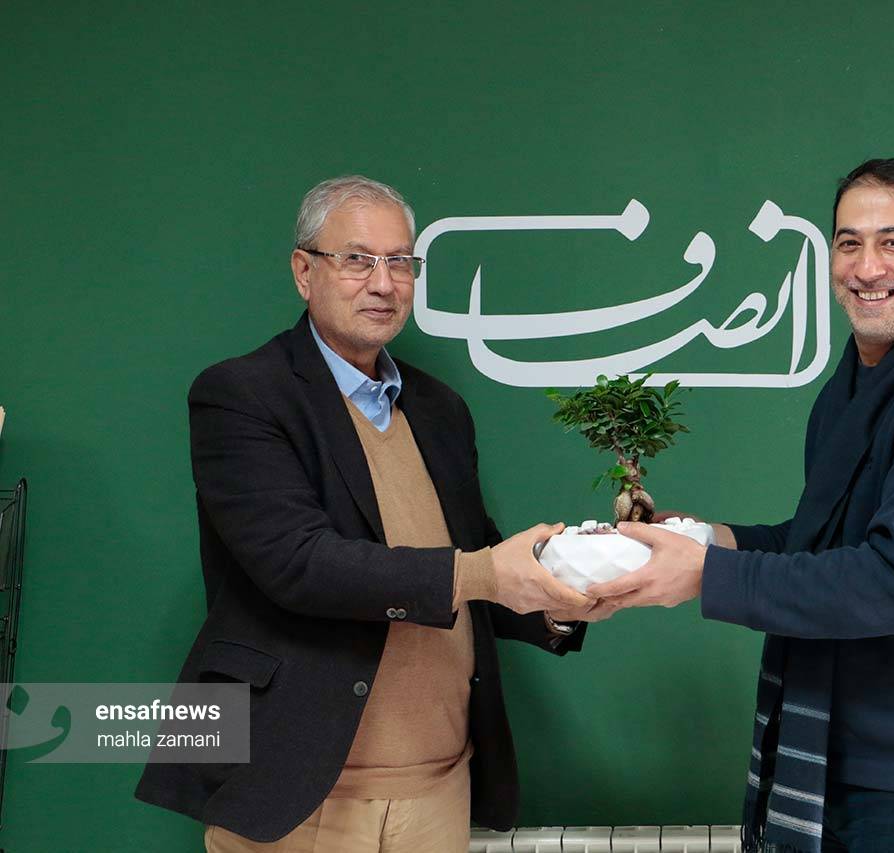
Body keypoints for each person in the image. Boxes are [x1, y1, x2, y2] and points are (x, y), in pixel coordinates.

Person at [136, 175, 609, 851]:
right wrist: (484, 572)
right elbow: (300, 564)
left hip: (440, 788)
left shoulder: (441, 408)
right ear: (304, 271)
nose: (384, 284)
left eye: (401, 262)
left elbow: (478, 565)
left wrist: (568, 593)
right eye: (357, 259)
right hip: (298, 796)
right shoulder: (241, 395)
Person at [591, 158, 894, 852]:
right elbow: (823, 545)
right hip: (841, 758)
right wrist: (705, 538)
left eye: (893, 242)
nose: (866, 267)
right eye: (848, 242)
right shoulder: (849, 389)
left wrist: (704, 574)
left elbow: (893, 582)